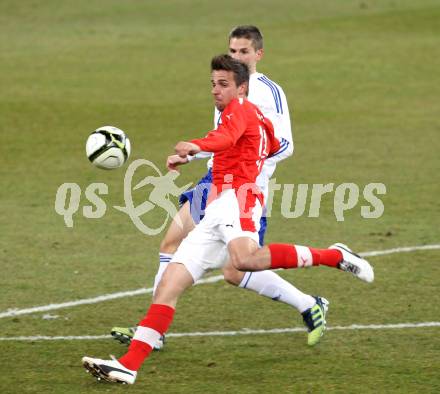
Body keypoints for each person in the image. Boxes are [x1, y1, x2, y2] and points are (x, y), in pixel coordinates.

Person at [82, 54, 374, 385]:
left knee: (244, 260)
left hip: (240, 199)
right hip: (217, 205)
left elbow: (228, 138)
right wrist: (208, 152)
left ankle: (334, 256)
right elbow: (251, 141)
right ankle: (129, 365)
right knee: (169, 285)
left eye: (223, 84)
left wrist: (196, 145)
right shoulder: (249, 116)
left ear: (241, 88)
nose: (215, 91)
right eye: (213, 84)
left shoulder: (240, 111)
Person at [111, 25, 316, 350]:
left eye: (244, 52)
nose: (237, 57)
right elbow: (223, 138)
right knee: (171, 242)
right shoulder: (228, 88)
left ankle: (308, 303)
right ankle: (153, 332)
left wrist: (251, 159)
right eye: (233, 51)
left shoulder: (269, 93)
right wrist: (192, 154)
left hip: (245, 190)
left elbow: (285, 144)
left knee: (235, 270)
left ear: (258, 54)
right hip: (214, 182)